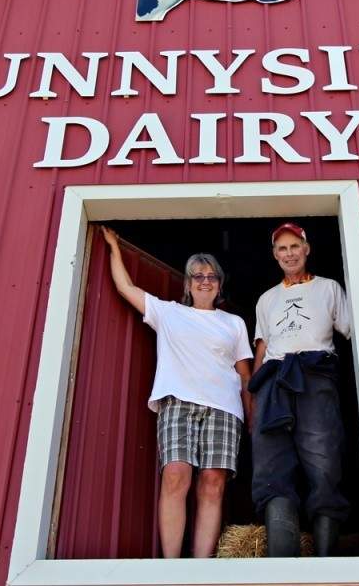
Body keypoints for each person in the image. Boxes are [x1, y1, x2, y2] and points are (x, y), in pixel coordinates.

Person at [100, 226, 254, 558]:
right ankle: (171, 566)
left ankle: (199, 567)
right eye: (197, 275)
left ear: (219, 284)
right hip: (178, 404)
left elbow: (244, 376)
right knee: (175, 475)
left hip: (225, 408)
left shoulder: (234, 323)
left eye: (211, 276)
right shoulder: (168, 312)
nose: (204, 281)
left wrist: (253, 418)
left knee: (213, 484)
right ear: (187, 284)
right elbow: (125, 287)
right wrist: (114, 246)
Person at [249, 222, 352, 557]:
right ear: (275, 255)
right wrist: (253, 399)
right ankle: (283, 562)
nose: (289, 253)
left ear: (306, 249)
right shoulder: (267, 299)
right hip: (274, 382)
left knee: (323, 459)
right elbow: (262, 349)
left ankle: (324, 562)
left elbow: (354, 331)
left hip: (315, 375)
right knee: (271, 465)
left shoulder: (328, 289)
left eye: (295, 246)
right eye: (282, 248)